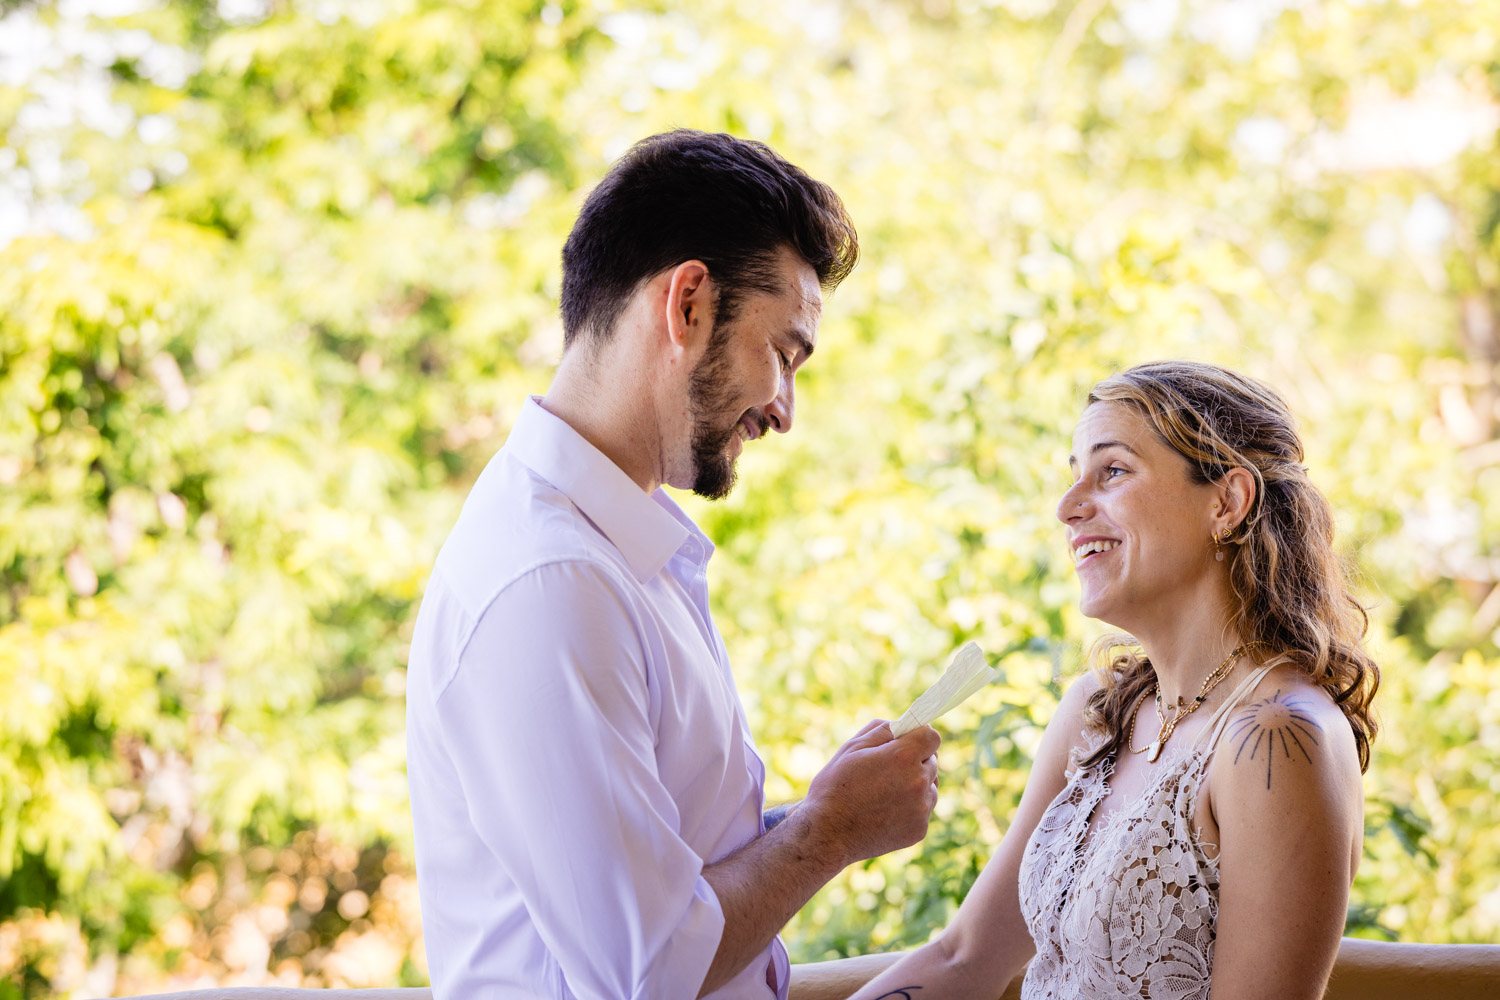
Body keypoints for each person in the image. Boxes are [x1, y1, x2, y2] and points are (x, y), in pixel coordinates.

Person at [404, 130, 942, 1000]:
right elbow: (648, 970)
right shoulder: (552, 582)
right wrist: (829, 833)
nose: (785, 411)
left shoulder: (621, 554)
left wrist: (817, 815)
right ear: (688, 304)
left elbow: (659, 879)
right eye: (785, 354)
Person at [820, 361, 1379, 1000]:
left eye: (1111, 472)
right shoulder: (1099, 711)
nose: (1067, 507)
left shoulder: (1277, 740)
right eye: (1073, 475)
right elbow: (964, 958)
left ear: (1227, 502)